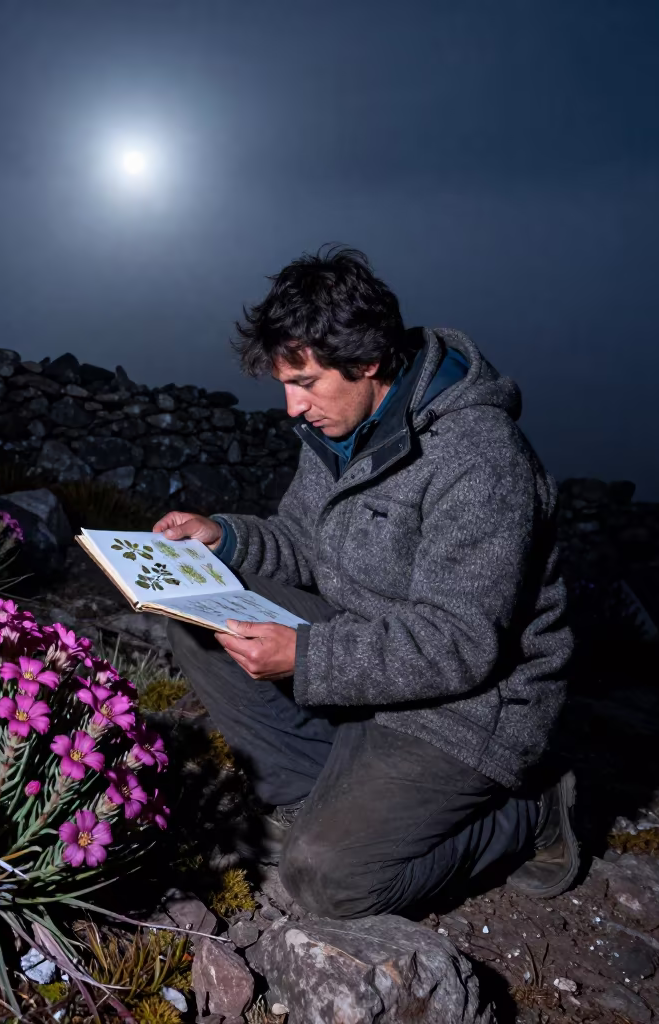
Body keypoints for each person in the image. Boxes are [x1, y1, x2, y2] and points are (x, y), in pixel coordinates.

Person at [154, 245, 578, 920]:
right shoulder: (343, 428)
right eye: (285, 384)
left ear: (369, 361)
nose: (292, 407)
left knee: (328, 880)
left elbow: (461, 643)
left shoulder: (480, 459)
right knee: (195, 611)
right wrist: (223, 537)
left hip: (468, 706)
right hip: (369, 652)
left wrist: (307, 655)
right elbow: (304, 543)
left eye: (306, 383)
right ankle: (311, 793)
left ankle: (528, 813)